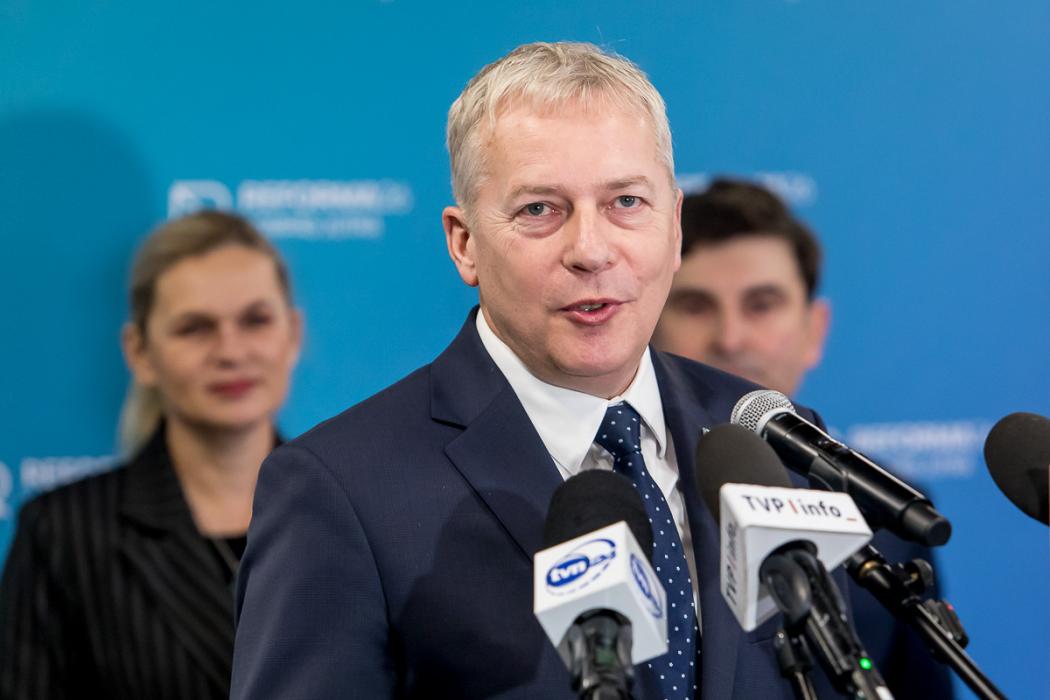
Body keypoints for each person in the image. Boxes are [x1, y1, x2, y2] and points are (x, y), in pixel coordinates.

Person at [231, 42, 845, 700]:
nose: (591, 250)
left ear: (674, 228)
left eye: (626, 202)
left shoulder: (767, 438)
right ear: (465, 243)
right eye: (539, 210)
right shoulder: (339, 490)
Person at [652, 178, 954, 699]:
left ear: (815, 330)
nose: (731, 338)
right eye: (696, 305)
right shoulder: (605, 493)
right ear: (650, 326)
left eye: (762, 304)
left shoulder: (883, 506)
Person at [0, 210, 303, 700]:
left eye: (255, 321)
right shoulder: (62, 533)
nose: (231, 352)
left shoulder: (353, 513)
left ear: (292, 335)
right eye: (194, 328)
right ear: (139, 352)